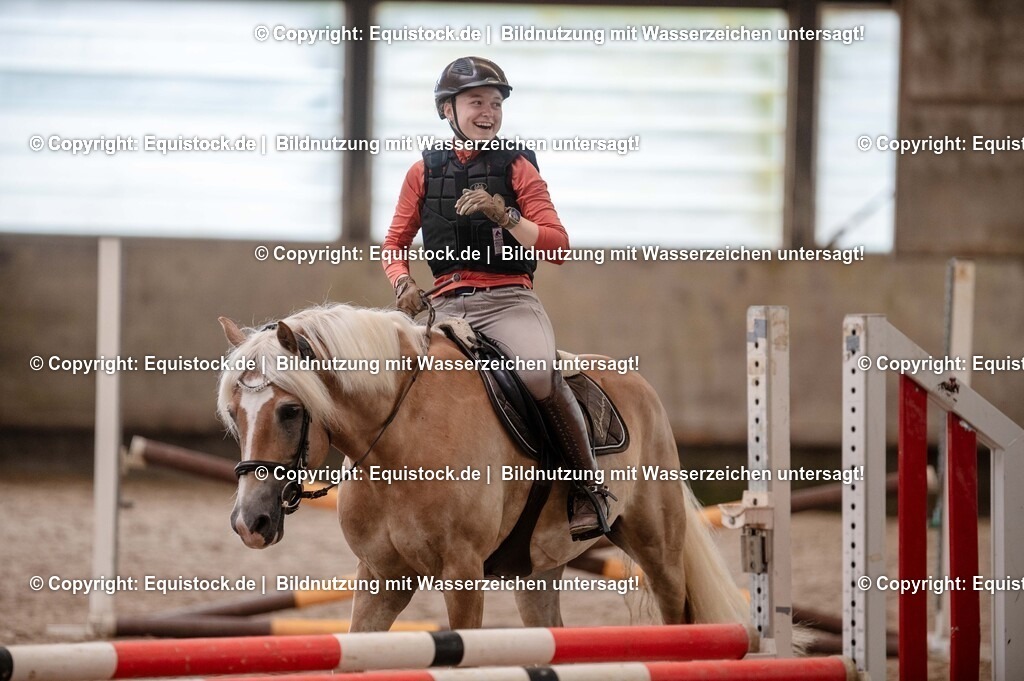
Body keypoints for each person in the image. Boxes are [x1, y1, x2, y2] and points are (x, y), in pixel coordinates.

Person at [380, 56, 614, 541]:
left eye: (495, 104)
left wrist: (505, 216)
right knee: (396, 381)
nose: (488, 113)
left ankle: (587, 488)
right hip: (445, 306)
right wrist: (402, 282)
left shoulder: (518, 166)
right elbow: (394, 244)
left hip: (508, 302)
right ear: (448, 110)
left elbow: (558, 246)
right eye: (476, 103)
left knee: (537, 372)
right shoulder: (422, 172)